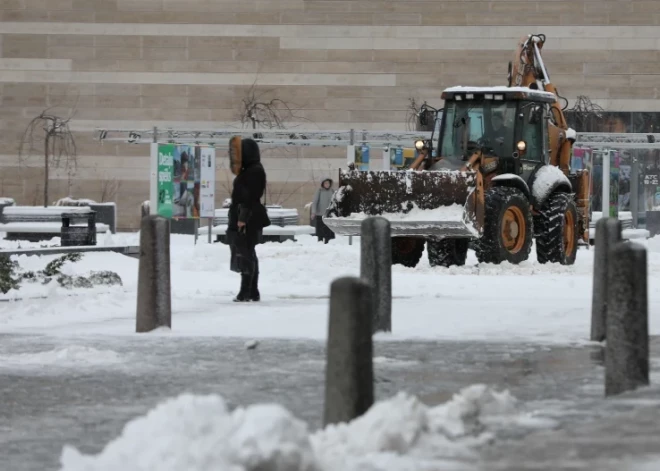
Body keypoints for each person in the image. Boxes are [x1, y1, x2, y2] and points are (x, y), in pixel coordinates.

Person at [226, 137, 270, 302]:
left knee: (245, 253)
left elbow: (249, 197)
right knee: (248, 252)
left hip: (248, 217)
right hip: (247, 215)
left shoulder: (254, 171)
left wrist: (242, 218)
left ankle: (246, 291)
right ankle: (252, 291)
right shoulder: (251, 169)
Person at [311, 177, 336, 244]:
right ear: (323, 184)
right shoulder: (319, 191)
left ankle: (327, 243)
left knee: (328, 231)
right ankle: (320, 242)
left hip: (329, 215)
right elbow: (315, 202)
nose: (327, 184)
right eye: (325, 183)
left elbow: (335, 202)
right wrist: (313, 212)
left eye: (328, 183)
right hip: (320, 214)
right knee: (320, 231)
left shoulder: (332, 191)